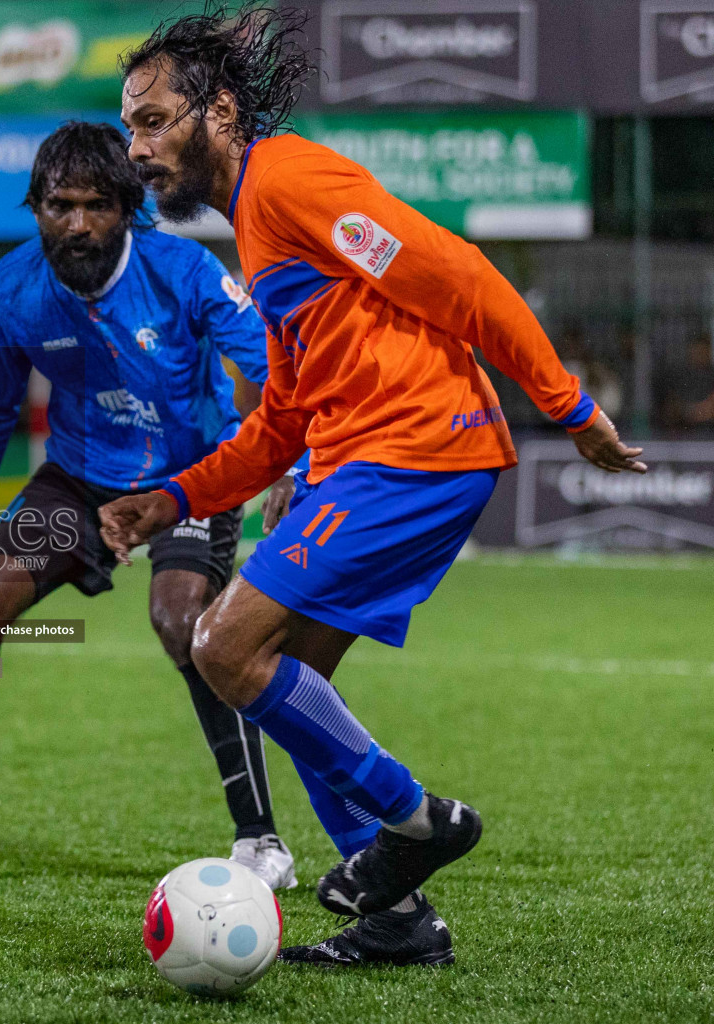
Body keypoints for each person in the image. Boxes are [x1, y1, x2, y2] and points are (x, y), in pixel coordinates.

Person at [99, 5, 646, 968]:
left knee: (221, 645)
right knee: (293, 678)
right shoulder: (260, 234)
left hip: (415, 451)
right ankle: (397, 917)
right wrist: (175, 498)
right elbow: (282, 419)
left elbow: (460, 276)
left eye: (152, 121)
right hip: (384, 456)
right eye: (129, 126)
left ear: (220, 111)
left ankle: (417, 818)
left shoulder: (291, 182)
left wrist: (567, 405)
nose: (135, 147)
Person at [0, 121, 299, 888]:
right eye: (60, 205)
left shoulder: (183, 269)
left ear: (127, 208)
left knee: (184, 622)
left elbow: (274, 360)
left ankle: (261, 840)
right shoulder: (12, 288)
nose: (78, 224)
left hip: (190, 474)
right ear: (36, 208)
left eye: (97, 205)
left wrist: (298, 456)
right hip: (79, 476)